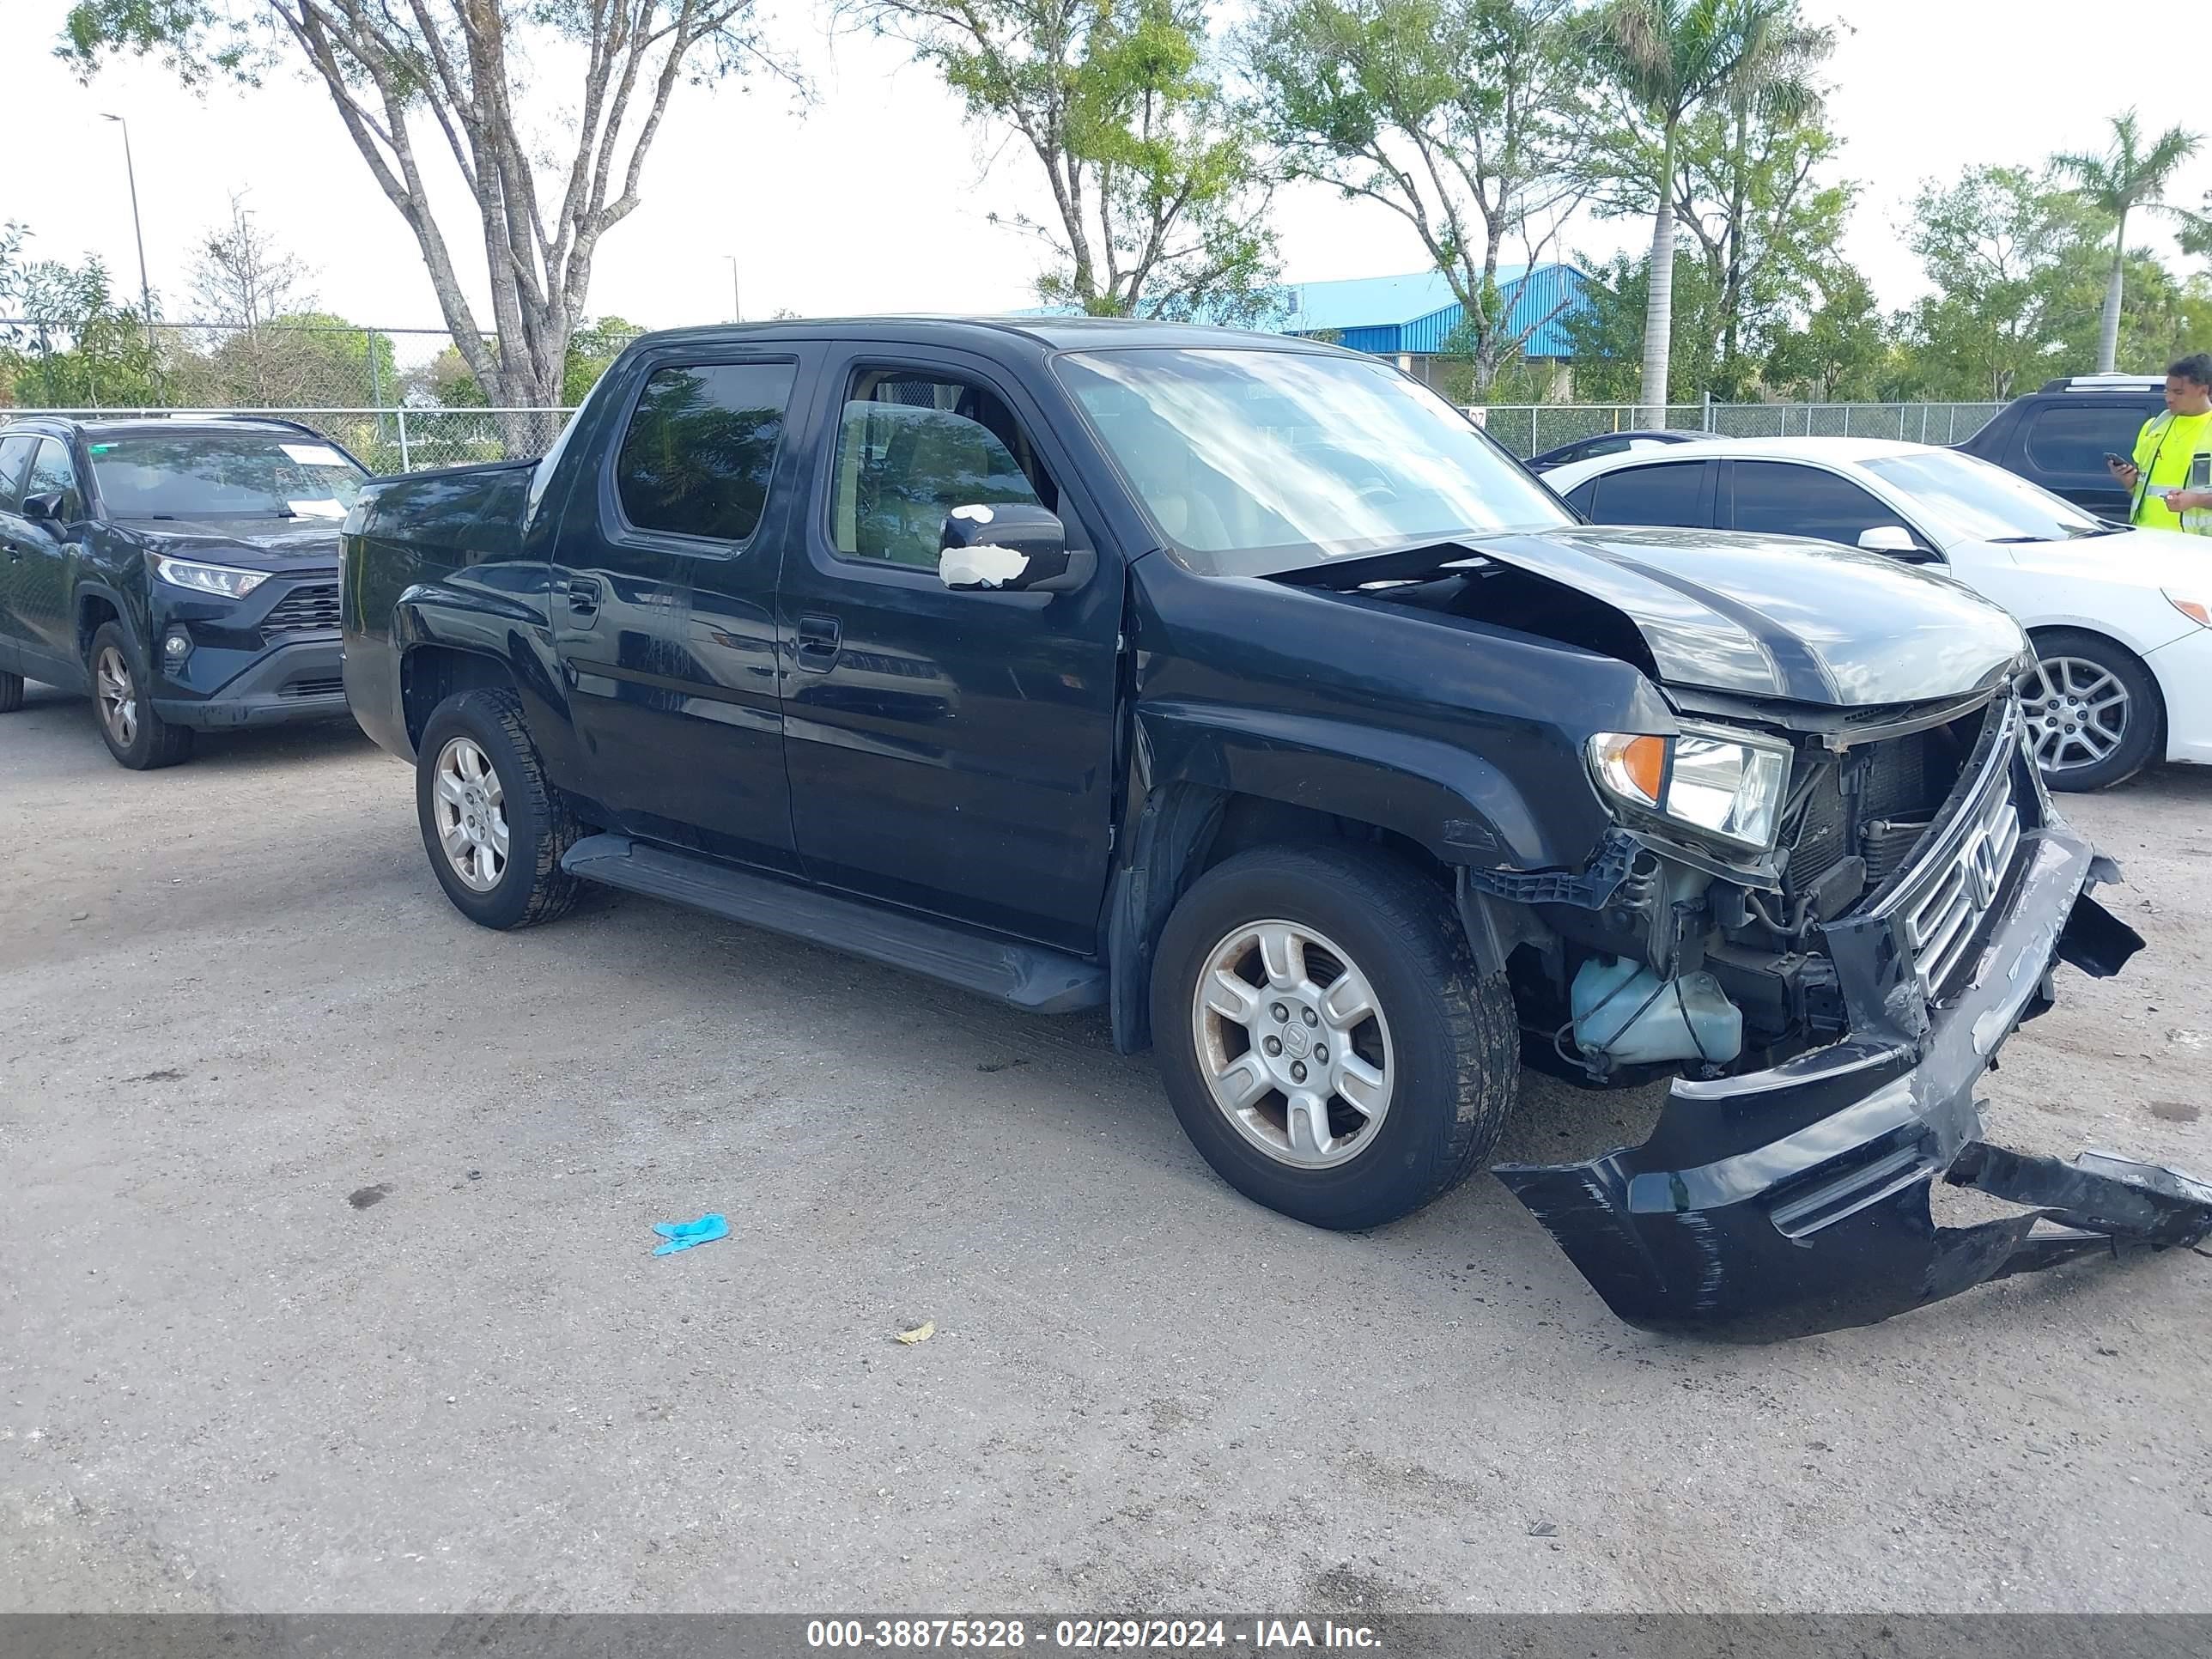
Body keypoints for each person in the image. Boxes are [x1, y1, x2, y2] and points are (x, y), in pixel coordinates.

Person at [2108, 354, 2212, 532]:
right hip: (2144, 539)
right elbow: (2141, 490)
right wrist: (2129, 481)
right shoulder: (2154, 427)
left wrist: (2196, 500)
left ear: (2203, 390)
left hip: (2197, 547)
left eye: (2178, 392)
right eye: (2167, 391)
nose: (2169, 398)